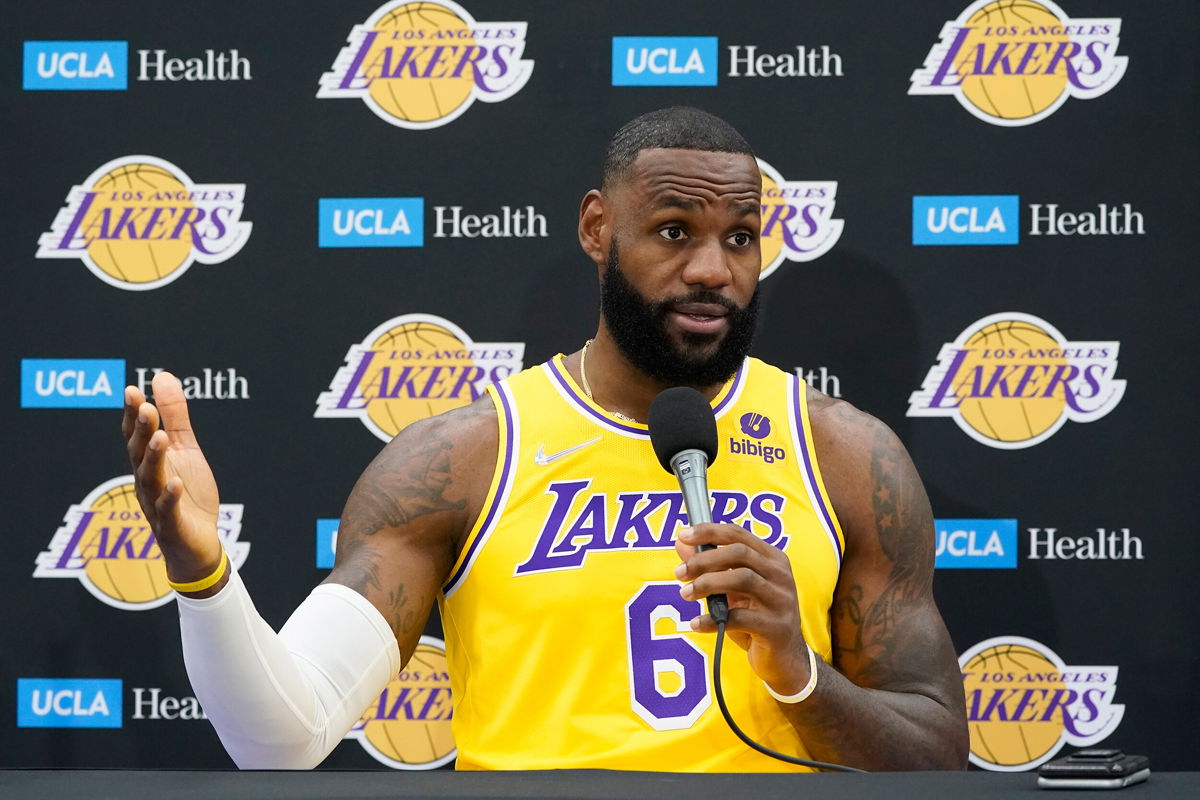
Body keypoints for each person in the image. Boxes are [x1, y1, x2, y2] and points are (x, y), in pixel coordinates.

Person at [122, 106, 968, 772]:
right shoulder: (461, 462)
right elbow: (283, 737)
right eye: (676, 230)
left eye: (739, 238)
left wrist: (797, 672)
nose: (713, 269)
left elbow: (937, 755)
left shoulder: (847, 457)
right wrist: (205, 577)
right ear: (598, 229)